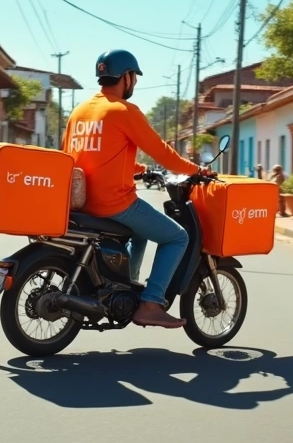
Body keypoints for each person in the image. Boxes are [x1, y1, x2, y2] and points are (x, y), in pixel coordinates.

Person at [62, 49, 212, 329]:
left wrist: (136, 169)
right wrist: (196, 170)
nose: (136, 82)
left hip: (81, 203)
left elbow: (83, 155)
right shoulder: (124, 111)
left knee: (141, 233)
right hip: (114, 204)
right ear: (127, 77)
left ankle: (123, 288)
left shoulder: (79, 112)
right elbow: (163, 153)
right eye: (135, 76)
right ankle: (151, 303)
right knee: (177, 237)